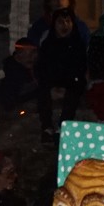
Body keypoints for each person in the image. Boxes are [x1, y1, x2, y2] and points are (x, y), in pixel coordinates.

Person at [34, 8, 89, 136]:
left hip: (72, 83)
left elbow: (79, 69)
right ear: (54, 24)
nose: (65, 25)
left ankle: (62, 128)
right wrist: (52, 87)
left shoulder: (78, 45)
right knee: (43, 91)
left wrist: (66, 87)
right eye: (60, 22)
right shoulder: (47, 45)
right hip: (51, 83)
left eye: (68, 21)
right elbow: (43, 69)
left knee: (74, 92)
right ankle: (47, 127)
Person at [0, 39, 41, 113]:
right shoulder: (12, 75)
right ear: (17, 55)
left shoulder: (38, 68)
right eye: (24, 53)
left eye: (33, 52)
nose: (30, 57)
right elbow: (10, 103)